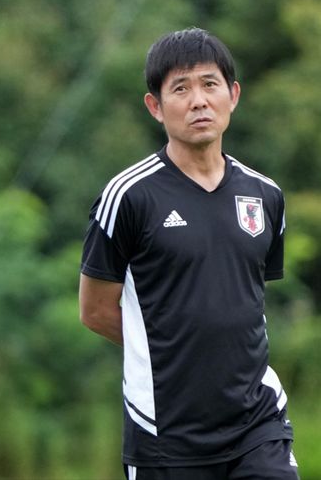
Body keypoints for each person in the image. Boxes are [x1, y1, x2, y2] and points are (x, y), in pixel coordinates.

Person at [79, 28, 299, 479]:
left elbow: (247, 298)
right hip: (166, 433)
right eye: (181, 89)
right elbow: (95, 310)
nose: (199, 101)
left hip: (258, 421)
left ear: (232, 95)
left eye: (210, 84)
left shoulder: (266, 195)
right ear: (155, 106)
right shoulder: (128, 196)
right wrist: (170, 350)